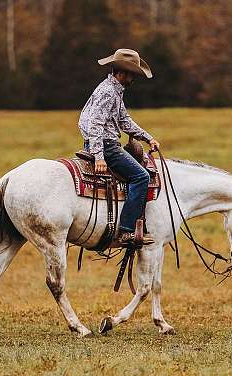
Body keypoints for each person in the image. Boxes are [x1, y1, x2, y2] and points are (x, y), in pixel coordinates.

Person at [78, 48, 161, 245]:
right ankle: (126, 230)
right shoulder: (107, 92)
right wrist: (98, 156)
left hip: (106, 143)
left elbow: (124, 121)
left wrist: (148, 138)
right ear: (122, 72)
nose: (133, 79)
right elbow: (95, 125)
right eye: (132, 74)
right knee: (141, 176)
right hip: (106, 146)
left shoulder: (114, 90)